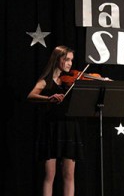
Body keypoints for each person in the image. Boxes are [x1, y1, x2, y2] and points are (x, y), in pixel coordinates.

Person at [27, 45, 84, 196]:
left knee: (69, 175)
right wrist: (48, 98)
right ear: (57, 59)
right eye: (66, 60)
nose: (70, 63)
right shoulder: (46, 80)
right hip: (51, 128)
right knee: (49, 175)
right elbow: (31, 96)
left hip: (70, 127)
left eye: (71, 60)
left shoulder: (72, 80)